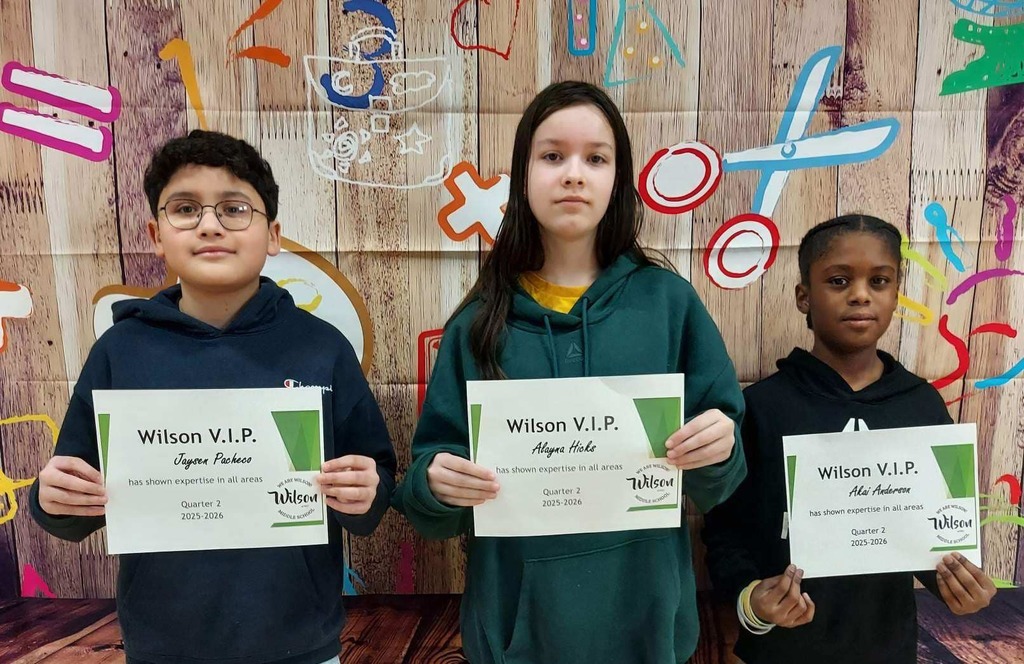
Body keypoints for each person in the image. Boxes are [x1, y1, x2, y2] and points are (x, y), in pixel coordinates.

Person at [395, 81, 746, 664]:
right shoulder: (478, 323)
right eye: (552, 156)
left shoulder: (669, 304)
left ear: (618, 177)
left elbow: (723, 480)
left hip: (650, 630)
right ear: (522, 174)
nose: (574, 174)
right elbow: (427, 495)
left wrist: (719, 448)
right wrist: (435, 485)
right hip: (517, 636)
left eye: (596, 158)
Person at [30, 130, 397, 664]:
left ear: (273, 234)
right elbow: (74, 499)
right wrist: (54, 499)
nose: (209, 224)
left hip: (300, 645)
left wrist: (369, 492)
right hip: (163, 647)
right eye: (185, 209)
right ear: (156, 234)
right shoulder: (121, 351)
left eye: (233, 208)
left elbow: (375, 482)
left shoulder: (320, 348)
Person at [702, 214, 997, 664]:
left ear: (895, 295)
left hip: (888, 648)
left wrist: (958, 585)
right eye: (839, 281)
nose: (861, 294)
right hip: (777, 652)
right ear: (804, 296)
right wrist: (752, 601)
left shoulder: (923, 408)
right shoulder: (762, 408)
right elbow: (725, 531)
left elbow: (934, 539)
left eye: (879, 281)